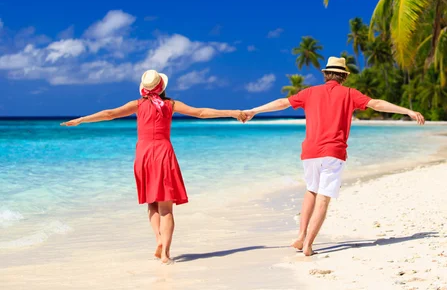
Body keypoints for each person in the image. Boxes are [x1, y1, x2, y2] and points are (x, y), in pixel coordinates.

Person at [241, 57, 425, 256]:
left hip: (310, 151)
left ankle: (301, 236)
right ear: (344, 76)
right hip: (333, 152)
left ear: (325, 74)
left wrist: (254, 110)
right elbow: (377, 104)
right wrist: (407, 111)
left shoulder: (310, 92)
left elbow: (281, 103)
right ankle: (309, 245)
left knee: (311, 191)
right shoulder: (349, 94)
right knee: (323, 198)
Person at [61, 70, 245, 264]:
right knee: (166, 206)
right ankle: (165, 253)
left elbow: (109, 114)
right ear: (162, 86)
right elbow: (201, 112)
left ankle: (158, 239)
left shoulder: (137, 105)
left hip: (144, 155)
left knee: (152, 202)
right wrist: (232, 113)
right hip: (164, 153)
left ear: (144, 88)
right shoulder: (171, 104)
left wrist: (81, 120)